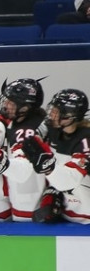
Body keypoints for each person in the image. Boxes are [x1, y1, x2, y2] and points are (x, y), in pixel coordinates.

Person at [0, 78, 49, 221]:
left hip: (29, 202)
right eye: (6, 99)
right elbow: (0, 129)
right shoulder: (21, 118)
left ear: (25, 107)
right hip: (26, 196)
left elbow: (23, 171)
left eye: (11, 102)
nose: (6, 105)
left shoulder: (28, 131)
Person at [20, 89, 90, 224]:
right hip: (69, 213)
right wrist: (51, 194)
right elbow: (33, 137)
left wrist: (49, 168)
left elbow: (70, 180)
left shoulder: (86, 139)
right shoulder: (53, 129)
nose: (51, 113)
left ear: (70, 115)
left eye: (57, 111)